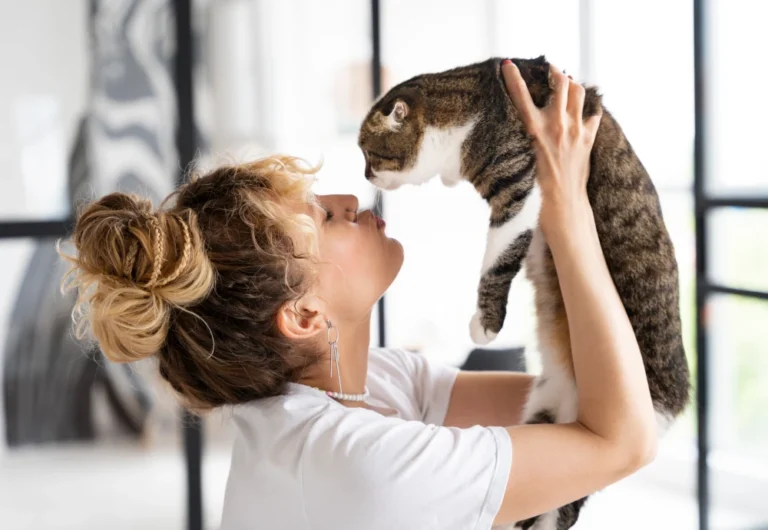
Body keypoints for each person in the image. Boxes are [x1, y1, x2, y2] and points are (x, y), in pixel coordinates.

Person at [62, 61, 657, 529]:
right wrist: (565, 206)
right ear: (301, 314)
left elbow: (596, 407)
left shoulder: (372, 385)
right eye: (322, 218)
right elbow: (623, 439)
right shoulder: (356, 466)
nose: (349, 201)